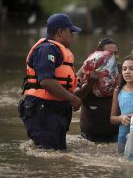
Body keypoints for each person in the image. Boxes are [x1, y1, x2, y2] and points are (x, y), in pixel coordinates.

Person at [19, 13, 82, 150]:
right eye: (70, 31)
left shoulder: (58, 51)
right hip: (43, 110)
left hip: (53, 111)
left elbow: (67, 82)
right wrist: (72, 99)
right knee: (48, 155)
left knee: (56, 155)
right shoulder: (46, 49)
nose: (73, 35)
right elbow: (46, 81)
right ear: (60, 32)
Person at [75, 38, 120, 142]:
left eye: (116, 54)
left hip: (116, 134)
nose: (113, 57)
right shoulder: (85, 70)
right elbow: (74, 99)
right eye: (109, 54)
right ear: (98, 54)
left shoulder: (123, 70)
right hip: (89, 135)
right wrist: (90, 83)